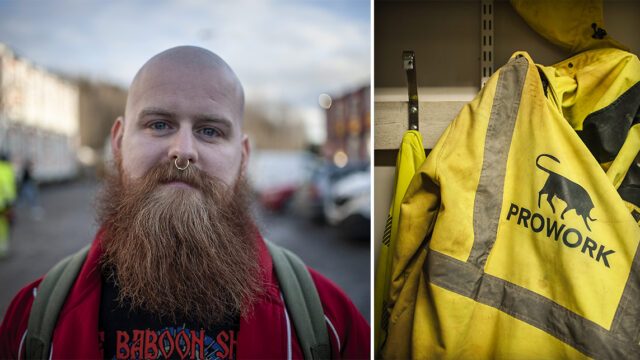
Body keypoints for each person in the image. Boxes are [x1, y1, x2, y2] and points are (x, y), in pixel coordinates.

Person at [0, 46, 369, 359]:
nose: (184, 151)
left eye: (210, 131)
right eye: (159, 124)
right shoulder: (33, 319)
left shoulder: (326, 320)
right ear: (117, 142)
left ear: (242, 157)